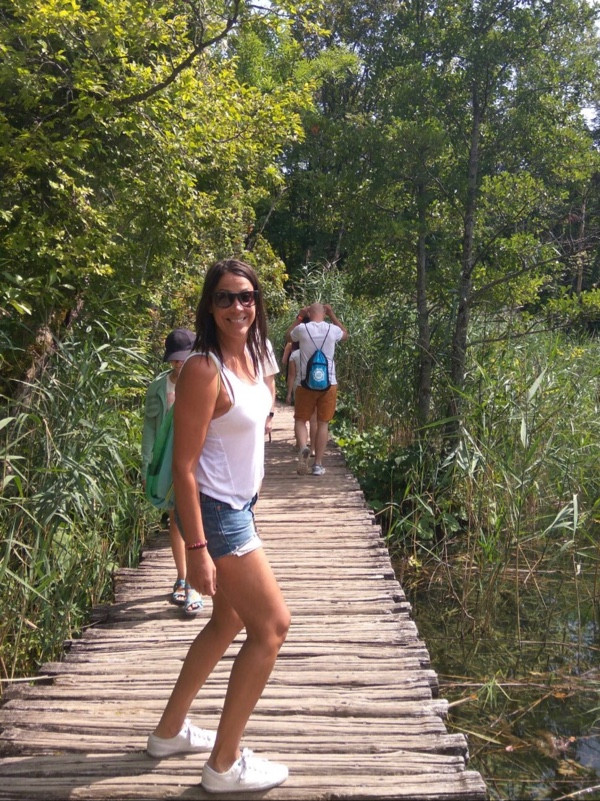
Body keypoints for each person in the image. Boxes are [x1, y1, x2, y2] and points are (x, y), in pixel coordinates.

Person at [146, 258, 291, 795]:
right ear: (210, 306)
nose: (237, 306)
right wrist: (198, 549)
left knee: (228, 620)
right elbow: (184, 468)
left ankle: (168, 733)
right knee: (272, 627)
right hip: (218, 516)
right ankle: (224, 765)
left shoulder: (252, 356)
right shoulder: (205, 370)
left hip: (241, 505)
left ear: (258, 302)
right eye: (225, 297)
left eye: (246, 296)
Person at [141, 327, 203, 616]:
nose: (179, 363)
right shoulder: (158, 387)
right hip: (169, 463)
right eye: (174, 358)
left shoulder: (206, 381)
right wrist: (148, 466)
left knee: (196, 518)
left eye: (184, 357)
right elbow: (150, 429)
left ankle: (195, 582)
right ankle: (183, 577)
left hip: (199, 461)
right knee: (176, 519)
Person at [286, 302, 348, 476]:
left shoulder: (302, 329)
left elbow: (288, 336)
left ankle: (303, 447)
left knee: (300, 420)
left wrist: (299, 317)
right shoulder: (332, 330)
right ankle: (318, 465)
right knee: (323, 423)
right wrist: (332, 314)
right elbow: (345, 334)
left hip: (305, 383)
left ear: (309, 313)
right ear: (324, 313)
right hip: (329, 383)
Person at [285, 342, 317, 455]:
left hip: (299, 387)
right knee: (314, 420)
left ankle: (300, 444)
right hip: (315, 386)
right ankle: (313, 449)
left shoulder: (294, 355)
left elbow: (291, 376)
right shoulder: (316, 353)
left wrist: (289, 393)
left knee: (299, 418)